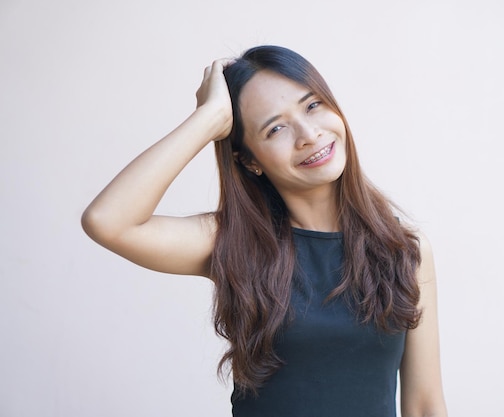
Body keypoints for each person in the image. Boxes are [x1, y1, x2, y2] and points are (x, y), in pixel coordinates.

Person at [82, 45, 447, 417]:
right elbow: (108, 221)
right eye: (276, 128)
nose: (308, 134)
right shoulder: (232, 241)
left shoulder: (406, 249)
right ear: (250, 160)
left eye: (313, 106)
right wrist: (208, 120)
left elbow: (424, 405)